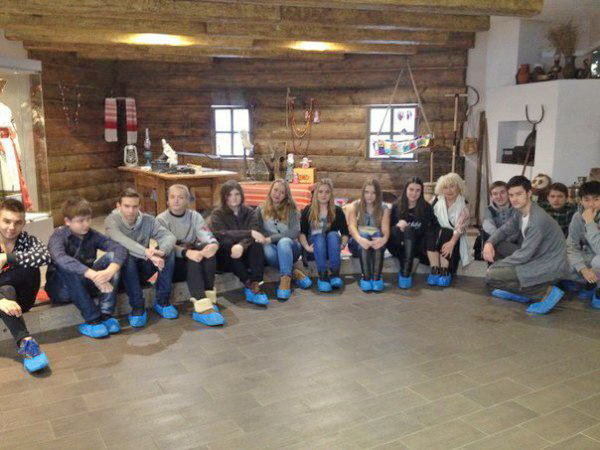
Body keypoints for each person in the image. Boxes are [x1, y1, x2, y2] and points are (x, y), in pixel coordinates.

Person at [483, 175, 569, 314]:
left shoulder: (537, 220)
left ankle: (545, 292)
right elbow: (504, 230)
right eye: (511, 195)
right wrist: (489, 243)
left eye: (519, 194)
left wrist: (497, 267)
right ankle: (523, 292)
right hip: (535, 256)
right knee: (497, 246)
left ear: (529, 193)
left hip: (548, 264)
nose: (514, 199)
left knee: (492, 275)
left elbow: (524, 254)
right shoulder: (520, 212)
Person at [46, 198, 127, 338]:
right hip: (61, 289)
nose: (86, 224)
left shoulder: (92, 234)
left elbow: (118, 248)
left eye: (88, 219)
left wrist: (109, 272)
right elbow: (61, 259)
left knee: (112, 257)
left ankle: (106, 314)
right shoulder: (58, 236)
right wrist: (92, 274)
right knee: (67, 267)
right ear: (67, 221)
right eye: (80, 221)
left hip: (86, 284)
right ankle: (93, 319)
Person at [105, 188, 177, 327]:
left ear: (139, 206)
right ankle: (137, 307)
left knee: (169, 251)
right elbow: (123, 242)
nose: (131, 211)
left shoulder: (148, 220)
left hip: (143, 268)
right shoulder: (111, 220)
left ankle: (162, 301)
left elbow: (169, 236)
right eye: (126, 206)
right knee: (125, 254)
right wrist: (147, 253)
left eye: (135, 206)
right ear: (118, 206)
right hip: (121, 273)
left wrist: (161, 252)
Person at [157, 185, 224, 326]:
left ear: (187, 200)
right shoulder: (161, 219)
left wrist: (213, 244)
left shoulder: (195, 216)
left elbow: (205, 234)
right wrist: (186, 252)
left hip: (192, 254)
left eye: (181, 197)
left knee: (207, 251)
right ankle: (201, 307)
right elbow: (166, 246)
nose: (176, 201)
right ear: (167, 200)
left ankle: (209, 298)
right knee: (193, 259)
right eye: (172, 197)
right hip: (173, 263)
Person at [0, 198, 50, 372]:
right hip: (3, 300)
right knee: (6, 289)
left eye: (17, 222)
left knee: (29, 267)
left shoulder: (26, 239)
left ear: (23, 223)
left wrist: (7, 258)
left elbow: (45, 256)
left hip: (23, 300)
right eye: (6, 221)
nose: (11, 227)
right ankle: (26, 342)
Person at [210, 180, 270, 306]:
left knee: (257, 243)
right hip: (226, 258)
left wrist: (241, 245)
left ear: (241, 195)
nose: (234, 198)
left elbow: (256, 232)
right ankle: (248, 283)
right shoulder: (217, 214)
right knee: (227, 243)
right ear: (224, 197)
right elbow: (221, 233)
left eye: (237, 194)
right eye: (229, 195)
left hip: (245, 254)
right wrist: (248, 233)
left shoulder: (250, 212)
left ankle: (256, 284)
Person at [255, 179, 311, 301]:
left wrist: (271, 238)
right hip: (270, 247)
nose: (277, 194)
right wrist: (266, 239)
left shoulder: (292, 209)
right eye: (275, 190)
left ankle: (285, 283)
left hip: (291, 248)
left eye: (282, 192)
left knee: (283, 241)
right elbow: (257, 230)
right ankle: (293, 272)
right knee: (266, 249)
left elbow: (294, 232)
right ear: (270, 190)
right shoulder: (260, 209)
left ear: (286, 195)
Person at [387, 177, 439, 289]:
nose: (414, 193)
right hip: (398, 246)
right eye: (411, 189)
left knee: (410, 230)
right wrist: (397, 226)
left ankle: (405, 272)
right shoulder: (396, 206)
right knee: (403, 230)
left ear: (421, 192)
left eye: (418, 190)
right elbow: (387, 229)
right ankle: (407, 270)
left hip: (416, 246)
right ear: (406, 189)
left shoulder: (426, 207)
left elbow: (435, 226)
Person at [299, 178, 349, 292]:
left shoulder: (337, 211)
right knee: (319, 237)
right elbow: (301, 233)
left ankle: (335, 273)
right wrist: (307, 247)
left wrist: (342, 245)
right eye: (320, 192)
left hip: (332, 249)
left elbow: (345, 233)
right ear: (316, 193)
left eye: (327, 192)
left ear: (331, 194)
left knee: (333, 235)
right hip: (314, 249)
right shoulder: (308, 210)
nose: (323, 195)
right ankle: (322, 276)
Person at [346, 178, 390, 292]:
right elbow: (352, 228)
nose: (369, 196)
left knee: (378, 234)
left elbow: (385, 230)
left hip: (375, 244)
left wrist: (383, 239)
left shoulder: (384, 208)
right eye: (366, 192)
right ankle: (365, 277)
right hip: (357, 243)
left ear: (378, 194)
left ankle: (376, 278)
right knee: (363, 233)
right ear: (363, 193)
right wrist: (360, 239)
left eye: (373, 193)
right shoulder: (354, 206)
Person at [429, 173, 472, 286]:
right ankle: (434, 270)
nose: (449, 190)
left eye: (452, 186)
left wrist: (452, 243)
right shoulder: (435, 201)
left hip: (454, 243)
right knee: (433, 230)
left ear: (459, 187)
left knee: (447, 231)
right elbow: (427, 218)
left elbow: (460, 227)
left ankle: (445, 272)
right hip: (434, 245)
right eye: (445, 187)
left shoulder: (465, 204)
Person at [565, 180, 600, 308]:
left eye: (596, 199)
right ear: (580, 201)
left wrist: (590, 223)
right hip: (587, 256)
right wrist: (583, 269)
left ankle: (598, 290)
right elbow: (571, 246)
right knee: (559, 261)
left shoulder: (588, 218)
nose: (591, 204)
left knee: (598, 261)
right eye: (586, 200)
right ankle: (589, 283)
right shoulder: (577, 217)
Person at [475, 181, 520, 260]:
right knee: (492, 244)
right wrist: (499, 240)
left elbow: (517, 230)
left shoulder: (517, 208)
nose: (499, 196)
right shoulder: (488, 210)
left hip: (514, 244)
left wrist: (504, 240)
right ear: (491, 196)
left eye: (502, 192)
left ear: (508, 193)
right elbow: (489, 228)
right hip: (496, 244)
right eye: (495, 194)